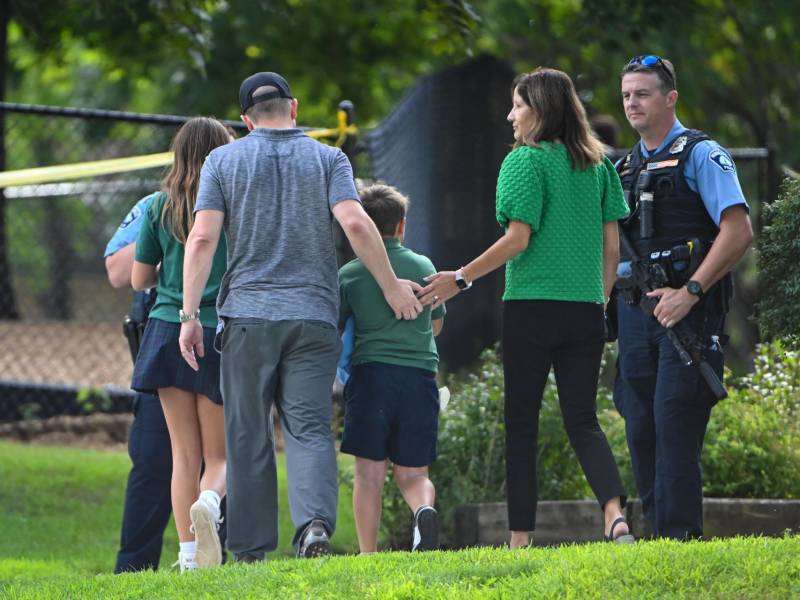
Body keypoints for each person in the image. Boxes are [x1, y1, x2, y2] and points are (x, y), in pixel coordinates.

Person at [178, 72, 422, 562]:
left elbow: (202, 239)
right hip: (313, 316)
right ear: (293, 107)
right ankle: (313, 527)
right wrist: (391, 285)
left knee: (248, 431)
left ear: (246, 120)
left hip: (247, 316)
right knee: (308, 428)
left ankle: (249, 548)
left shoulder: (222, 160)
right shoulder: (329, 158)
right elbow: (355, 220)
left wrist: (188, 314)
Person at [419, 67, 634, 547]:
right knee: (583, 421)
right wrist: (597, 304)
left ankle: (520, 540)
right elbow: (613, 252)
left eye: (518, 105)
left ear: (539, 111)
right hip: (585, 311)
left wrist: (460, 278)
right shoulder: (597, 167)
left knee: (522, 423)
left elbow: (517, 239)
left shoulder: (524, 162)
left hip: (531, 309)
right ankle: (615, 515)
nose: (510, 115)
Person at [614, 55, 752, 539]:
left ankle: (680, 541)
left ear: (670, 98)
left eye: (643, 93)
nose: (632, 102)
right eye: (627, 94)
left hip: (687, 318)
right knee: (640, 425)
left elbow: (738, 230)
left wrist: (691, 291)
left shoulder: (702, 153)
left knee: (675, 424)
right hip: (634, 316)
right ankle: (657, 541)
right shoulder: (623, 167)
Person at [131, 116, 232, 572]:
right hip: (217, 332)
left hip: (164, 330)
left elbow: (138, 279)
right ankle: (209, 505)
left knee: (182, 454)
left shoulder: (158, 206)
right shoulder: (234, 203)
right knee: (220, 455)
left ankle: (188, 557)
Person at [338, 183, 446, 554]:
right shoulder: (423, 266)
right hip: (419, 378)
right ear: (402, 225)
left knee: (369, 476)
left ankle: (368, 554)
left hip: (371, 378)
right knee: (414, 474)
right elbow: (436, 324)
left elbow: (339, 328)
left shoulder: (351, 274)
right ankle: (424, 510)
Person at [104, 197, 173, 573]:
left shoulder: (241, 197)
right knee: (152, 461)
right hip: (161, 350)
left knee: (221, 464)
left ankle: (220, 567)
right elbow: (117, 271)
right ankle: (132, 573)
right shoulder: (155, 207)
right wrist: (165, 231)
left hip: (222, 345)